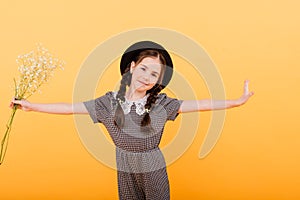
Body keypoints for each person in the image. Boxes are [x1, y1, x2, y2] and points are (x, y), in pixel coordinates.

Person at [11, 41, 254, 200]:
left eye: (154, 74)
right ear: (131, 67)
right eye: (144, 69)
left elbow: (202, 104)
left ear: (158, 80)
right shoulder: (108, 104)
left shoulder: (162, 105)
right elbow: (70, 108)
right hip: (124, 165)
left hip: (153, 164)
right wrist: (32, 107)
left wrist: (236, 101)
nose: (147, 77)